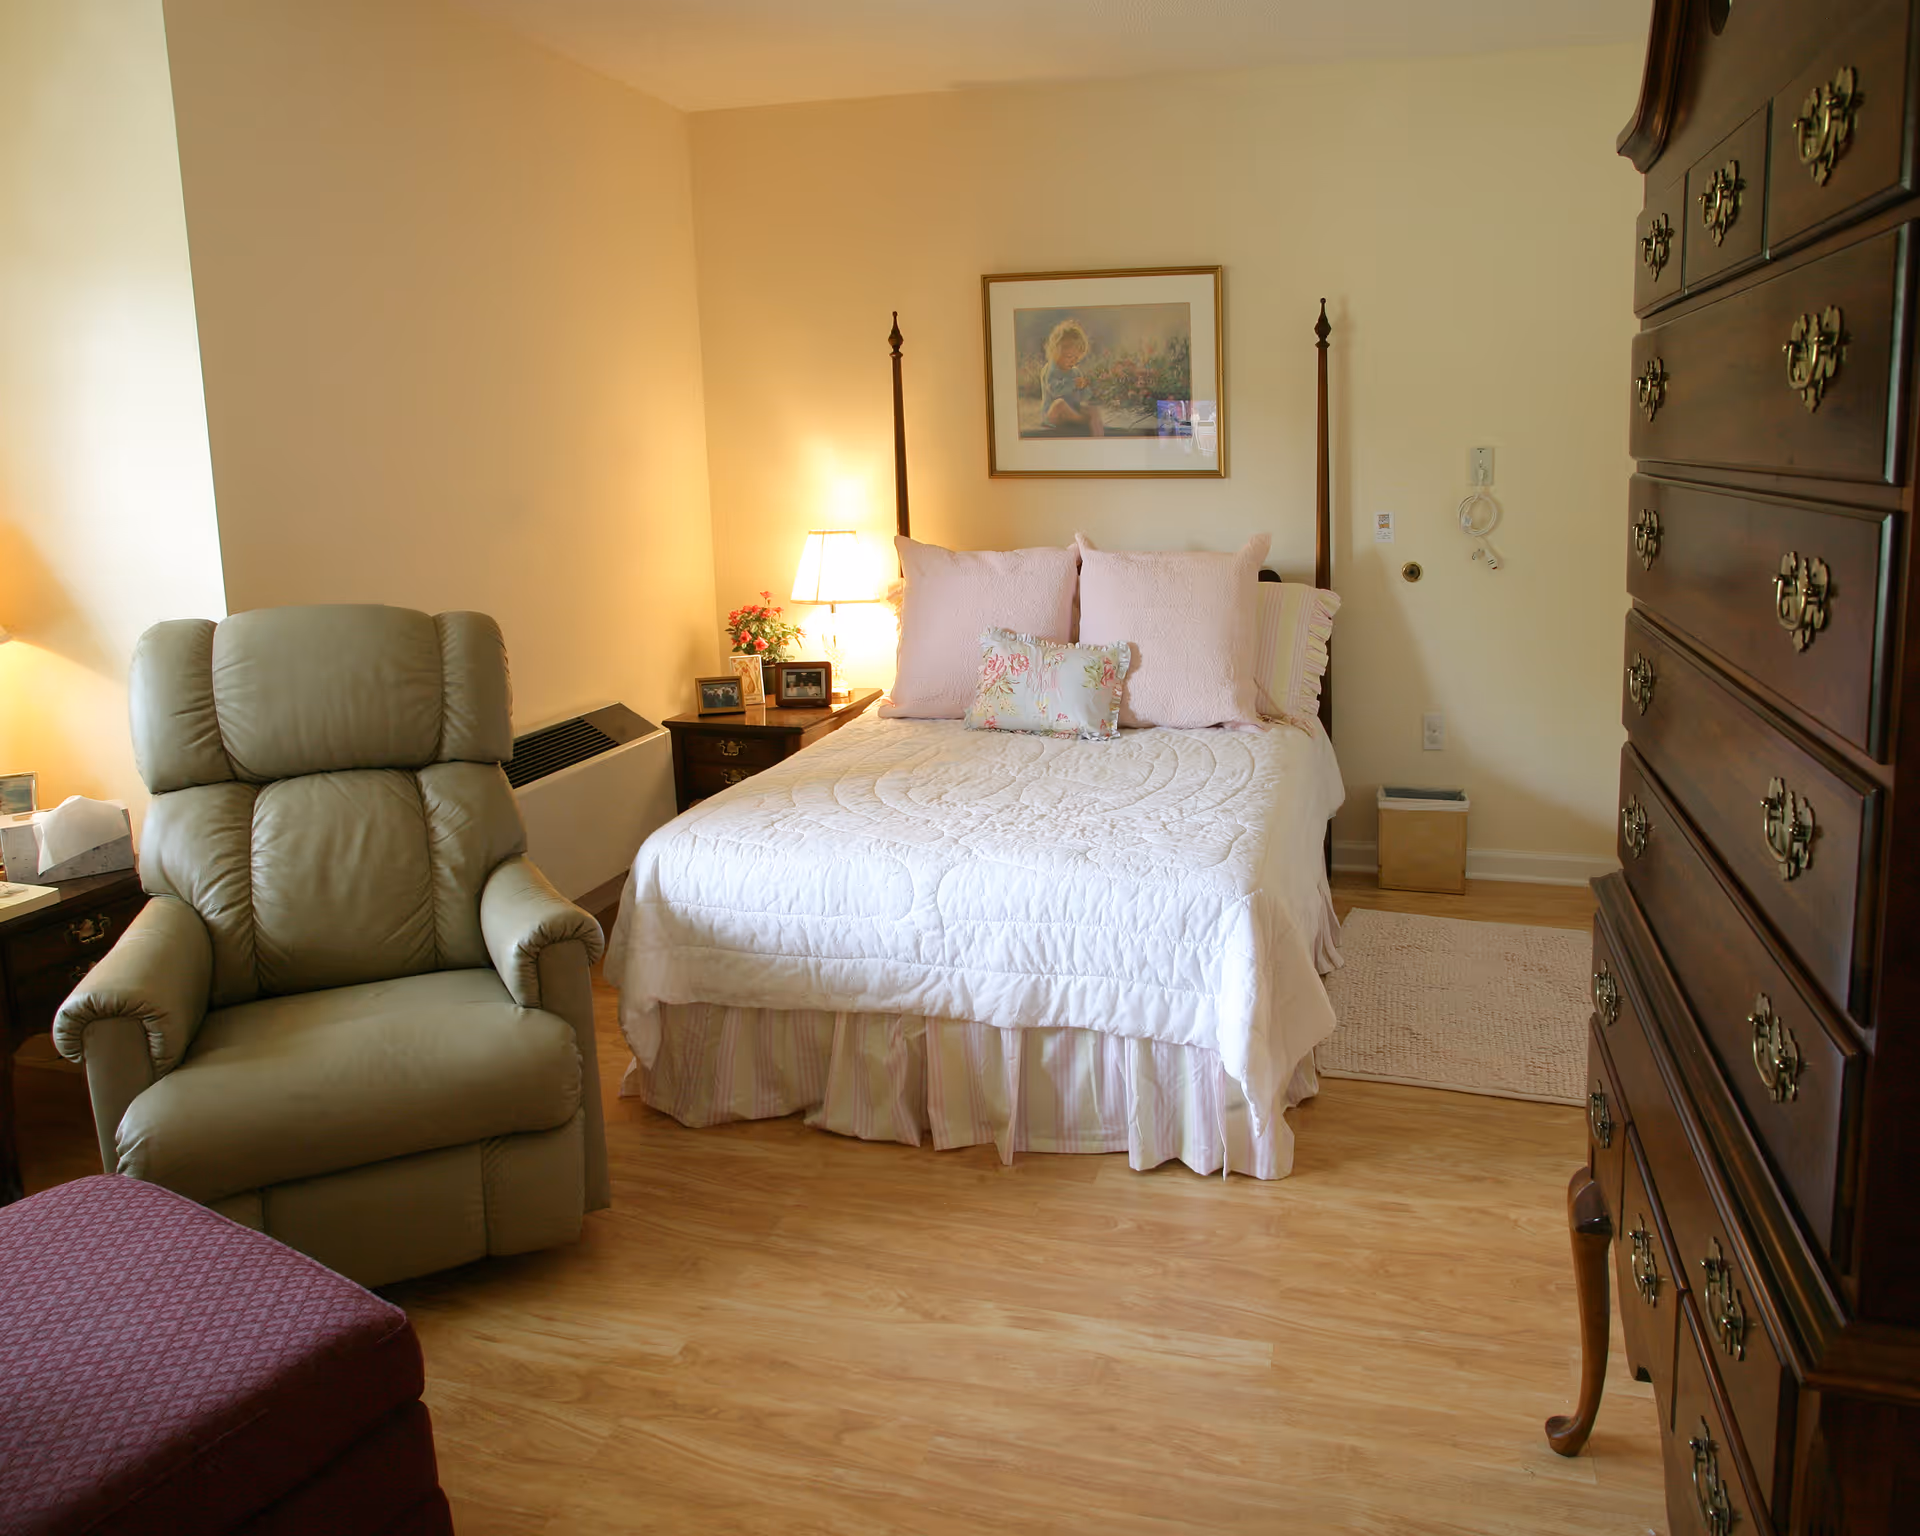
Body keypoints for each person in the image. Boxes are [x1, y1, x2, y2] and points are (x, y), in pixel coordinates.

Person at [1040, 319, 1104, 436]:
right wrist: (1073, 384)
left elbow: (1085, 396)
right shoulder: (1050, 370)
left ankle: (1099, 438)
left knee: (1093, 409)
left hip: (1072, 413)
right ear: (1056, 352)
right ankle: (1082, 420)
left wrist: (1085, 387)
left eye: (1077, 358)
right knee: (1059, 404)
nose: (1073, 361)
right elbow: (1054, 390)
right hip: (1054, 416)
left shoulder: (1075, 372)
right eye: (1069, 357)